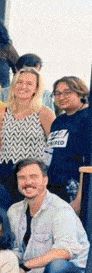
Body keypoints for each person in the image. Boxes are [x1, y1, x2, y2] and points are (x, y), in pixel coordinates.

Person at [9, 159, 88, 273]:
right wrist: (20, 272)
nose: (28, 182)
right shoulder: (14, 211)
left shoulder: (61, 210)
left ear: (45, 180)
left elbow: (64, 252)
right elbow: (15, 249)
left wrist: (25, 267)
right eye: (22, 178)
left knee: (58, 266)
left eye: (33, 177)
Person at [0, 68, 55, 191]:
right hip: (5, 173)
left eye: (29, 83)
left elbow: (54, 147)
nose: (23, 87)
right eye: (19, 82)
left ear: (36, 88)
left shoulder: (45, 113)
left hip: (33, 175)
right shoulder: (1, 113)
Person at [46, 76, 91, 208]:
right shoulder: (58, 121)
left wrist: (80, 198)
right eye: (57, 93)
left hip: (76, 190)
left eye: (67, 92)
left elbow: (88, 162)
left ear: (81, 93)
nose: (61, 97)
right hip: (54, 187)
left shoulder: (88, 118)